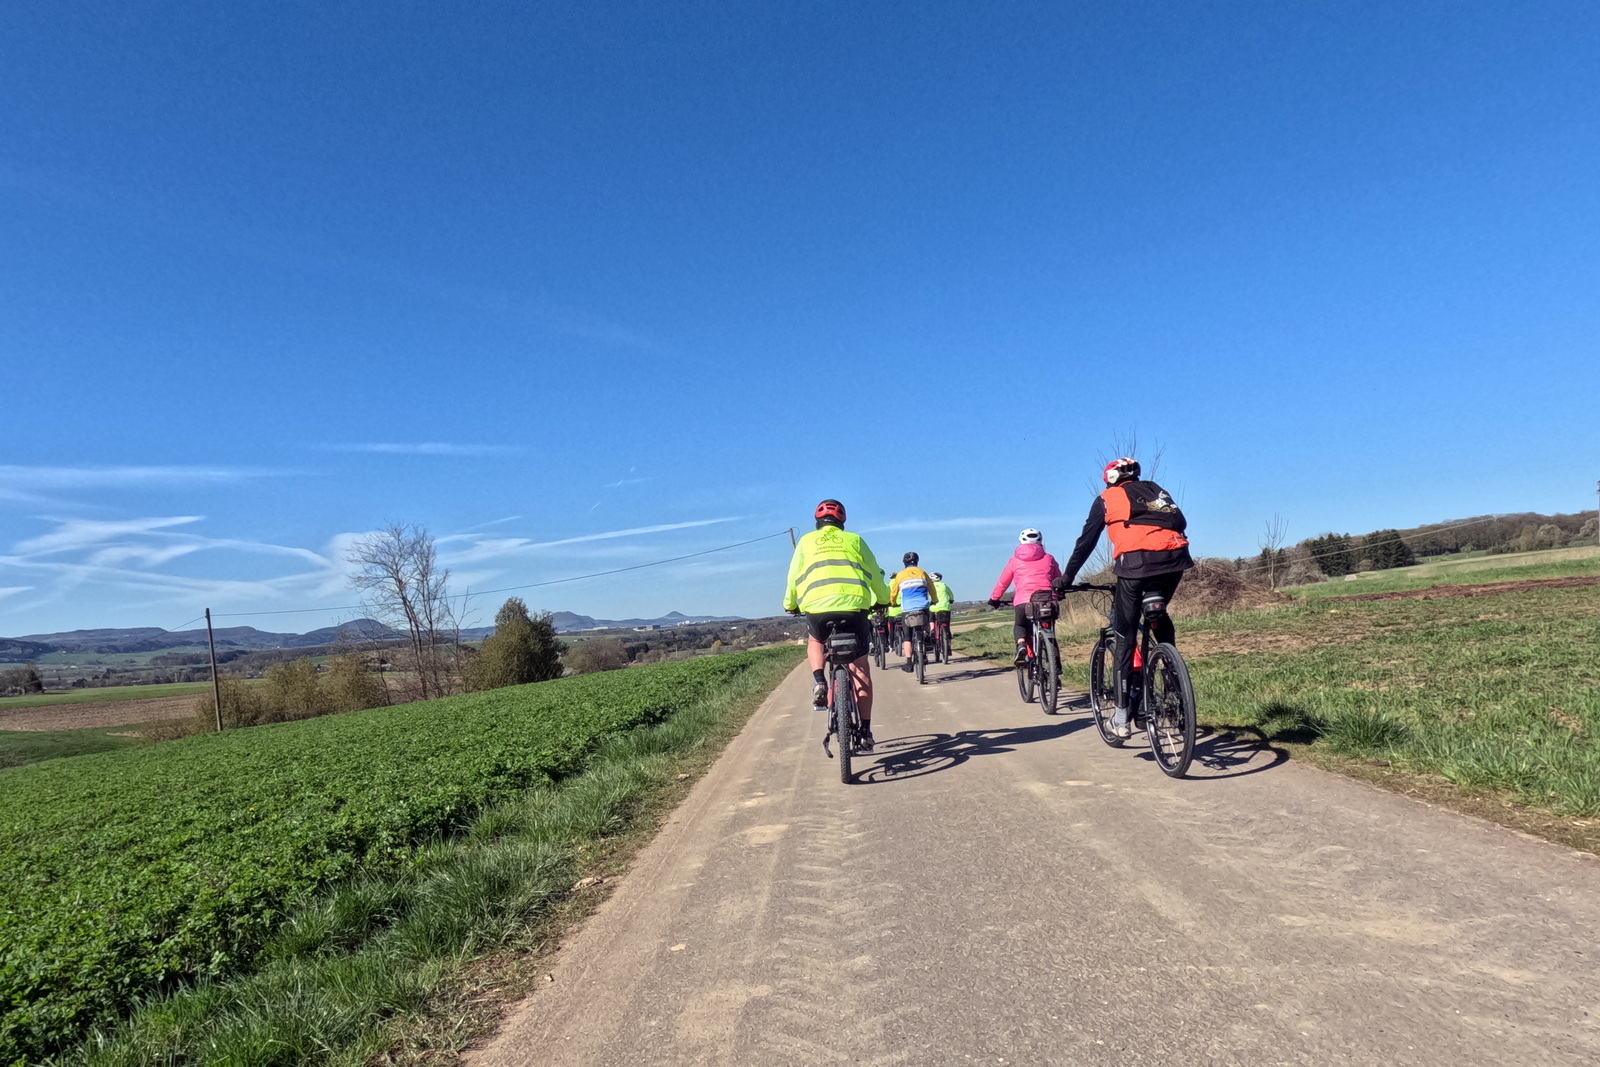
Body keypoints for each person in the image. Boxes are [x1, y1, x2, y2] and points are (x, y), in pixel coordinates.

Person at [1054, 458, 1193, 737]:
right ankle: (1173, 685)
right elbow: (1180, 522)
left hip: (1135, 565)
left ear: (1109, 478)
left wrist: (1066, 578)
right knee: (1158, 615)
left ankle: (1120, 719)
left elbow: (1086, 542)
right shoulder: (1155, 490)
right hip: (1175, 560)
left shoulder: (1106, 498)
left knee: (1124, 636)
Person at [783, 499, 890, 748]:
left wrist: (790, 603)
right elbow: (874, 574)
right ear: (842, 521)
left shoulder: (806, 542)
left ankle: (820, 680)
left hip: (817, 607)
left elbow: (793, 576)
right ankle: (865, 731)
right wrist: (883, 600)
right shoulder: (855, 540)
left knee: (815, 640)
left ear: (817, 521)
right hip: (854, 608)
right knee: (860, 669)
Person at [987, 529, 1062, 667]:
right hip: (1046, 600)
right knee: (1050, 630)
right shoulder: (1049, 558)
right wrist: (1060, 593)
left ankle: (1021, 644)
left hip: (1023, 601)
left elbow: (1003, 582)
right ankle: (1055, 667)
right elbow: (1058, 579)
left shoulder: (1014, 561)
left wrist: (994, 598)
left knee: (1020, 625)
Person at [889, 552, 939, 671]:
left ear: (904, 563)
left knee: (907, 637)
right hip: (923, 606)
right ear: (917, 562)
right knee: (925, 622)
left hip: (907, 609)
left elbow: (894, 592)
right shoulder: (922, 572)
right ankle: (926, 638)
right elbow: (932, 588)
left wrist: (892, 602)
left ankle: (909, 663)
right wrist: (934, 600)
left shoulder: (900, 574)